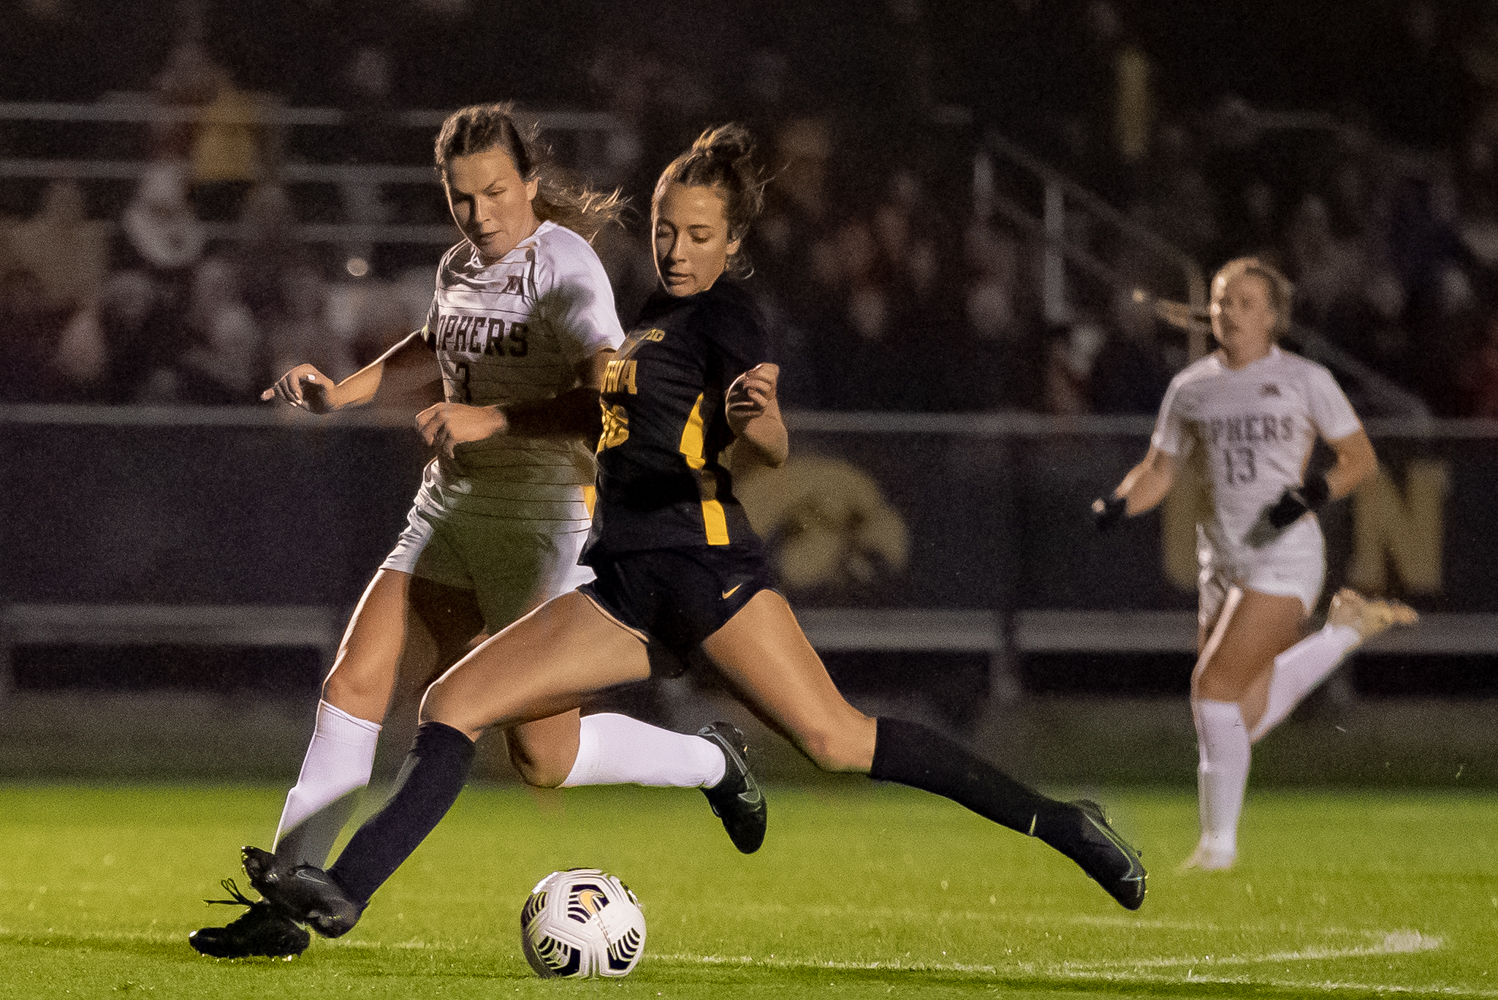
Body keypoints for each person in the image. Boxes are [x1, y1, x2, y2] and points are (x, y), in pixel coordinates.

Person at [231, 124, 1147, 945]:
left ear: (732, 242)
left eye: (699, 235)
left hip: (707, 575)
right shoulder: (649, 322)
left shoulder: (726, 317)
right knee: (453, 706)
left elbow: (769, 442)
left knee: (835, 742)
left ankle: (1060, 822)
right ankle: (343, 891)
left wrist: (762, 423)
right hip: (623, 587)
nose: (676, 247)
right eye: (668, 229)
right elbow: (558, 391)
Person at [188, 105, 767, 961]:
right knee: (353, 682)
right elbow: (439, 337)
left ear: (529, 183)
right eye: (462, 197)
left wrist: (494, 419)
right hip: (449, 510)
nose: (480, 213)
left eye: (496, 192)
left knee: (542, 754)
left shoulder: (567, 269)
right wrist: (344, 393)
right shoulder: (459, 262)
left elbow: (609, 398)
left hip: (543, 523)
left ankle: (712, 763)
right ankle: (282, 907)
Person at [1092, 257, 1417, 871]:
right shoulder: (1191, 387)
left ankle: (1219, 848)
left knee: (1211, 690)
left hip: (1284, 553)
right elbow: (1158, 470)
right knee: (1236, 716)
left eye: (1243, 302)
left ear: (1272, 315)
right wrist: (1117, 502)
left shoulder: (1304, 377)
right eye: (1220, 301)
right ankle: (1345, 632)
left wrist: (1310, 494)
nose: (1228, 312)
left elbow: (1359, 458)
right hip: (1220, 562)